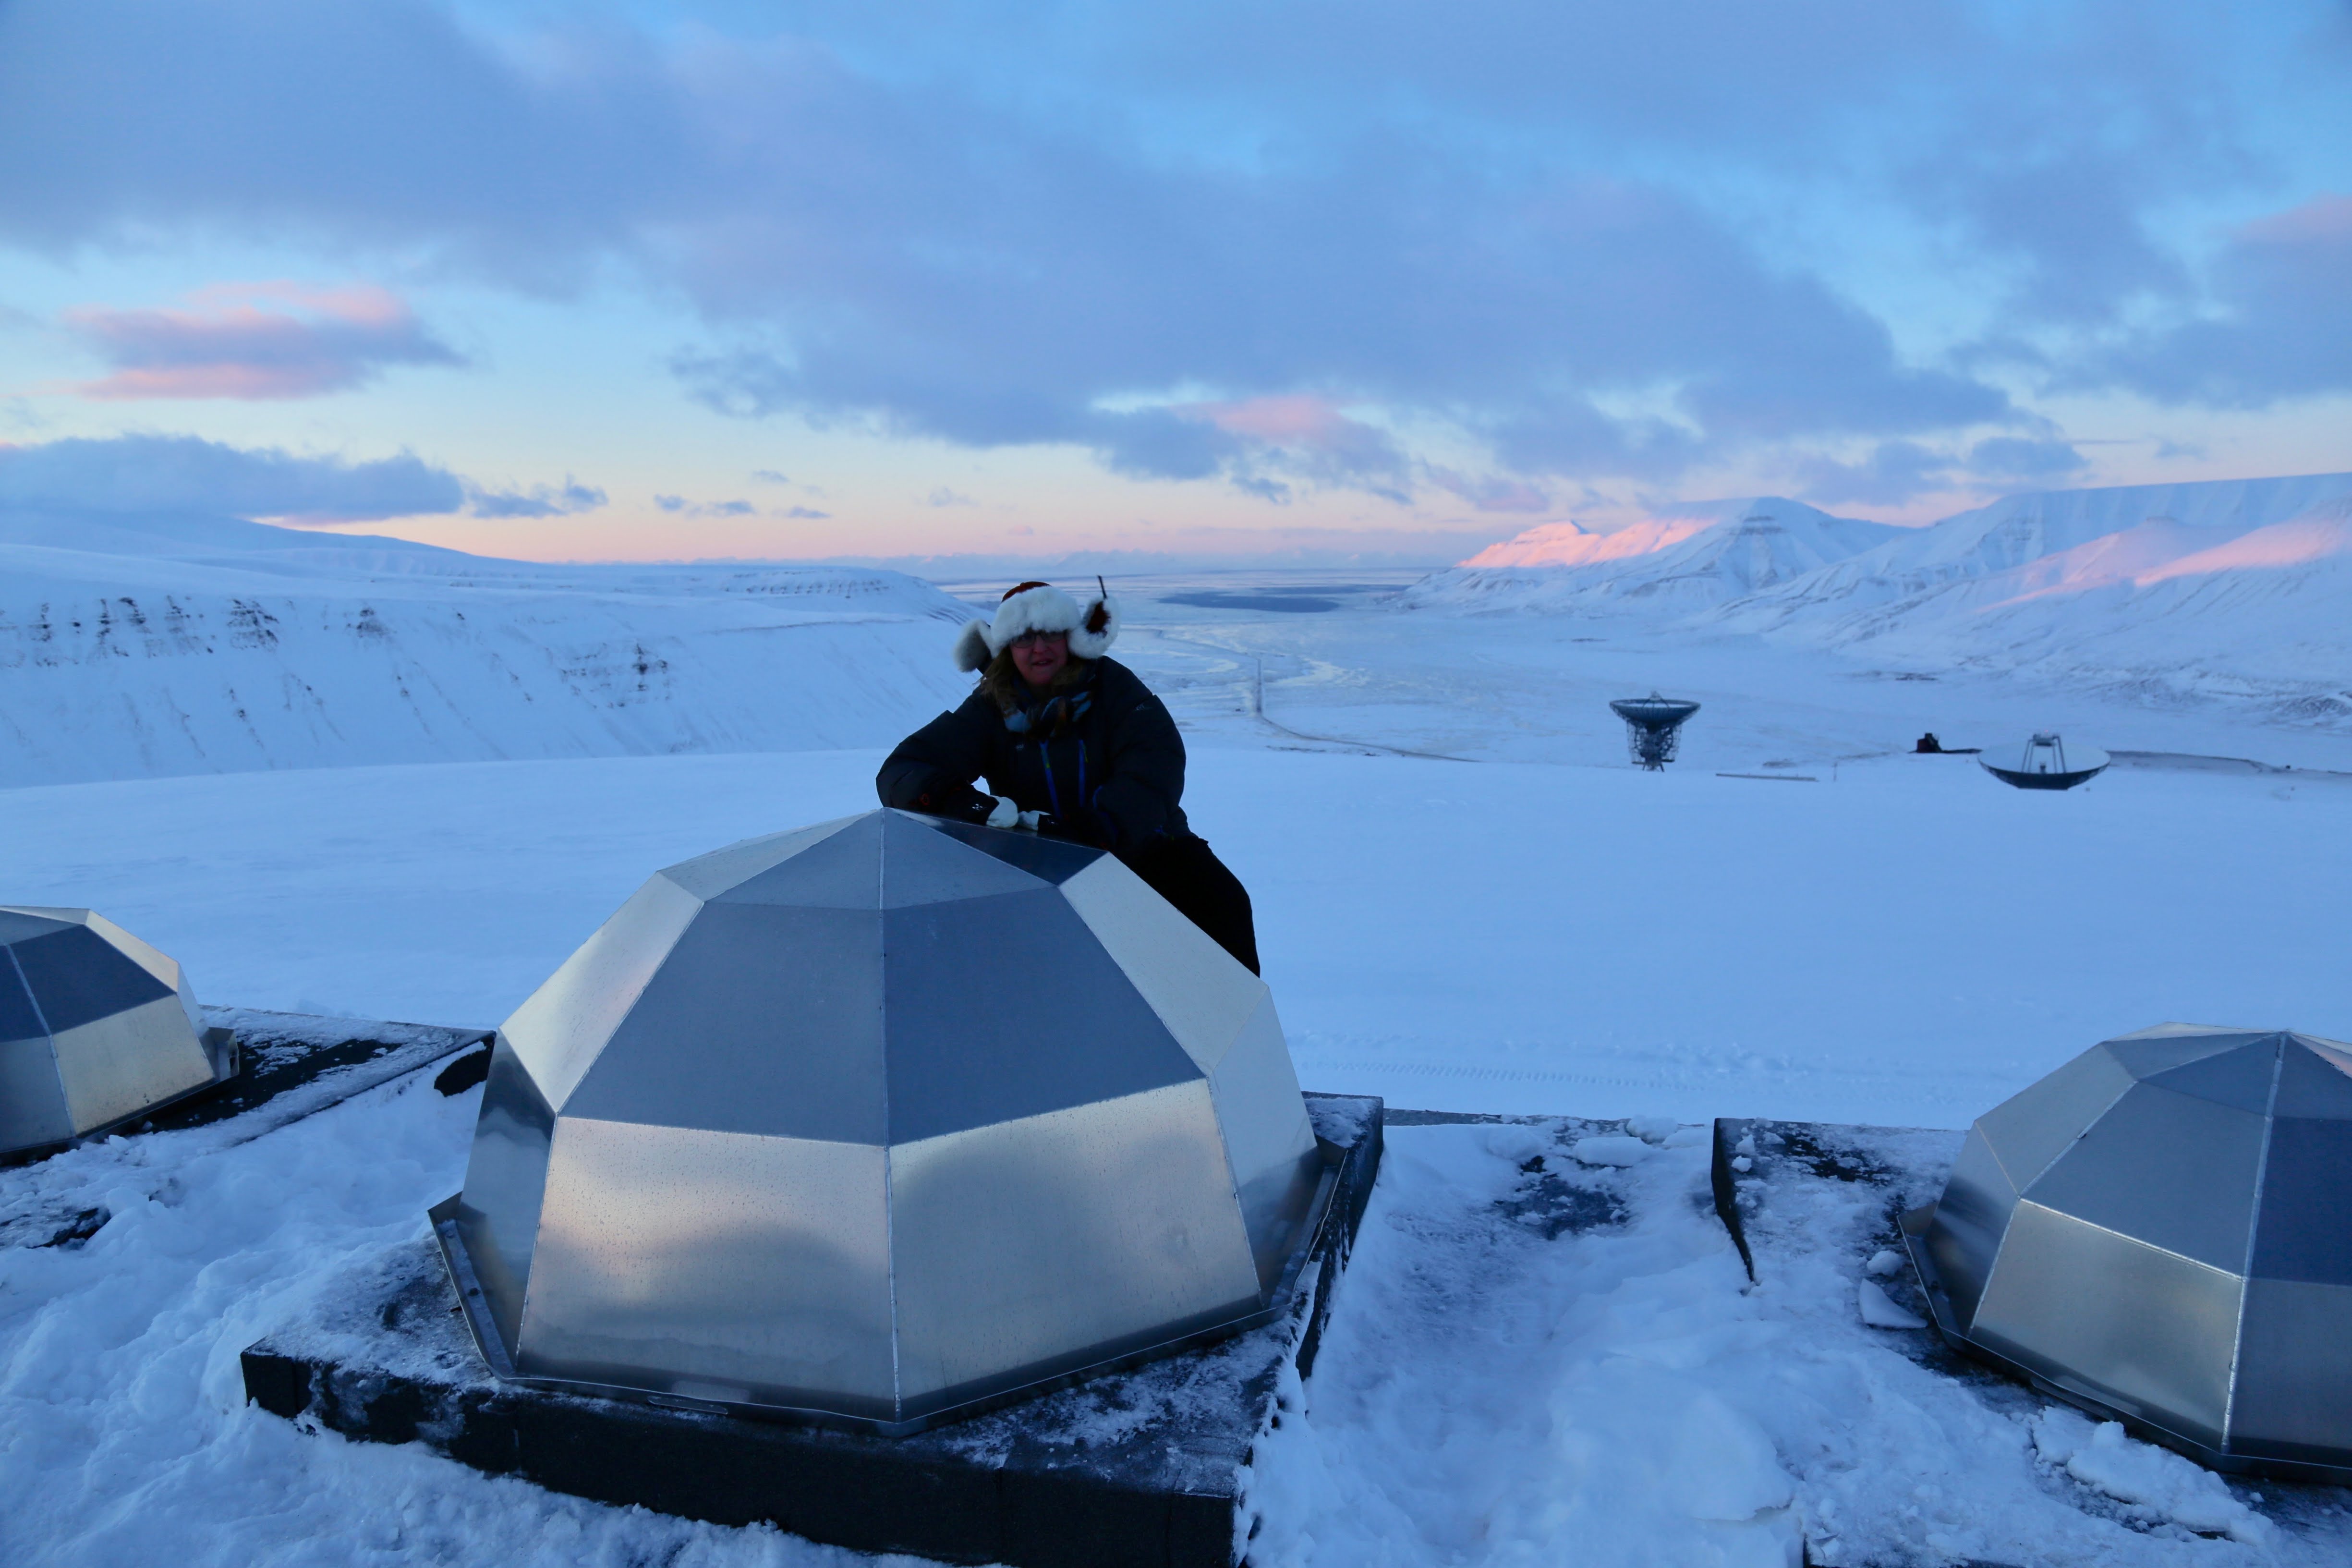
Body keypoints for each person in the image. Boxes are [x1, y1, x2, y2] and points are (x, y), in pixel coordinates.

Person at [878, 580, 1261, 973]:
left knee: (1221, 902)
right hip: (1036, 859)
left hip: (1143, 848)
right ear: (1006, 647)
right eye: (1024, 637)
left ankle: (1224, 1009)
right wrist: (963, 804)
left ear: (1071, 637)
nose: (1039, 648)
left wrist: (1096, 828)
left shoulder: (1113, 687)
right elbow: (904, 769)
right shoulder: (989, 707)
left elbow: (1155, 763)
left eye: (1051, 633)